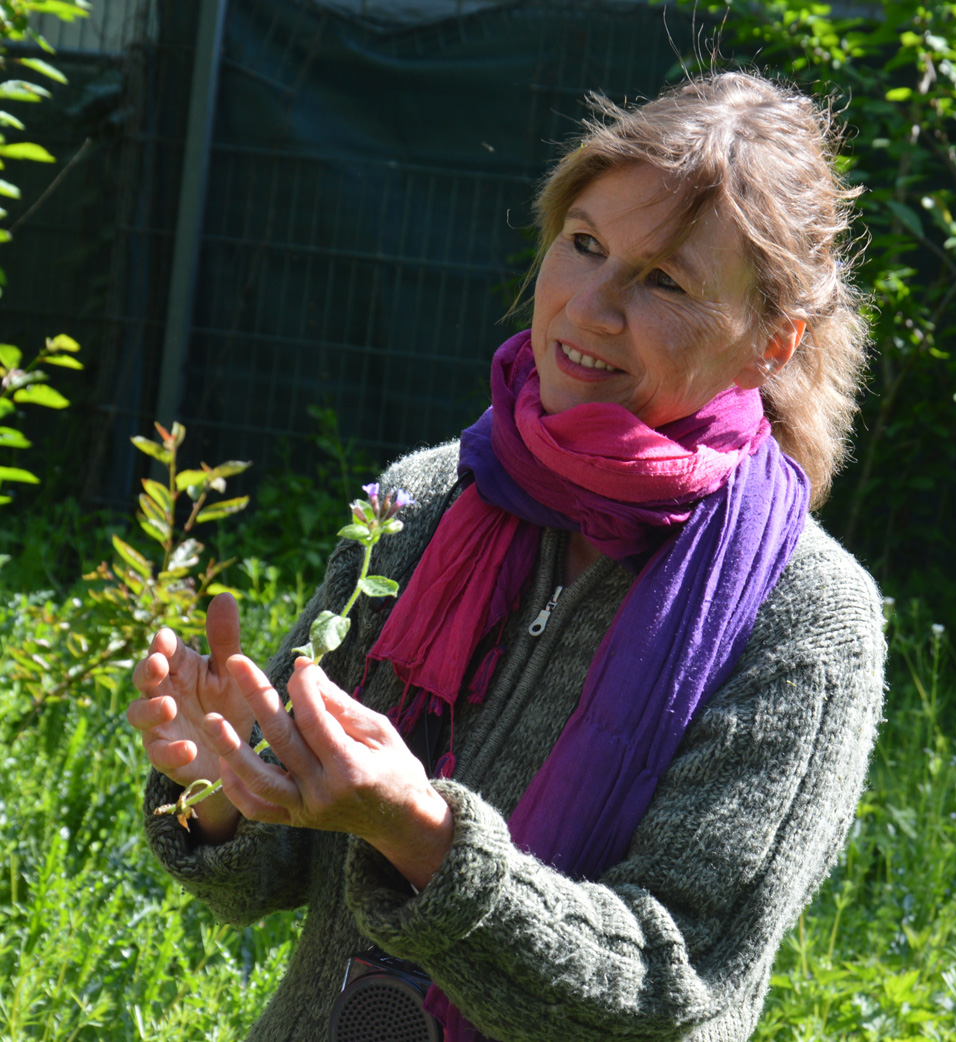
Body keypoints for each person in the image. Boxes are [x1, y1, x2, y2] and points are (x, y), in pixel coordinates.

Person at [128, 70, 886, 1042]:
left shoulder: (803, 616)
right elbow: (270, 869)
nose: (589, 307)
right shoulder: (426, 497)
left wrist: (420, 833)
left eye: (663, 280)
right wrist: (219, 789)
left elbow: (677, 990)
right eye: (584, 246)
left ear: (771, 343)